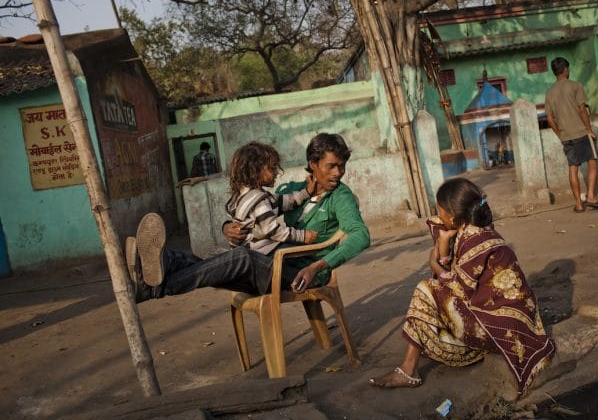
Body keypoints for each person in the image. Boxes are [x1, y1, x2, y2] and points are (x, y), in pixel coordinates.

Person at [126, 133, 370, 302]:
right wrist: (228, 228)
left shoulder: (341, 196)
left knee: (240, 258)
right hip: (273, 266)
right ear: (313, 164)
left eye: (342, 166)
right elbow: (259, 211)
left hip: (299, 275)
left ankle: (156, 288)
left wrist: (318, 266)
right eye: (332, 166)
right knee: (218, 261)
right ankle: (163, 260)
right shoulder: (292, 190)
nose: (339, 173)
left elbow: (360, 236)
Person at [369, 178, 555, 394]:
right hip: (503, 319)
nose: (437, 216)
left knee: (425, 290)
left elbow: (454, 285)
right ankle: (411, 366)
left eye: (439, 211)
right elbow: (450, 265)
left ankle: (408, 370)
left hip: (499, 328)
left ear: (452, 216)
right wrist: (444, 244)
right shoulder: (474, 229)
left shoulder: (474, 239)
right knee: (434, 292)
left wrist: (434, 266)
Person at [225, 141, 318, 254]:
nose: (276, 172)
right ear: (256, 170)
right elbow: (273, 231)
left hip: (247, 251)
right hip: (261, 253)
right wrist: (301, 235)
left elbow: (283, 201)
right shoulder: (258, 201)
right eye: (272, 168)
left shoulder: (242, 195)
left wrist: (306, 193)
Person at [545, 57, 598, 213]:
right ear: (566, 69)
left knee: (573, 168)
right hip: (581, 133)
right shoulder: (576, 86)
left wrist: (560, 135)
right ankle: (591, 196)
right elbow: (582, 110)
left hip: (566, 136)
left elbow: (550, 120)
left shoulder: (550, 93)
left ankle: (579, 204)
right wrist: (589, 129)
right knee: (592, 161)